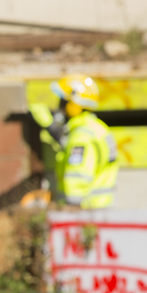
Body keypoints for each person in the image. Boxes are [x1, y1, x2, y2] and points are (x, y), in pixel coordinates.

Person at [31, 74, 118, 209]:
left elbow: (78, 177)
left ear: (74, 105)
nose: (60, 107)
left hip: (84, 214)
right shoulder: (98, 128)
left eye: (63, 102)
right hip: (99, 211)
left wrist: (70, 210)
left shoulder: (81, 136)